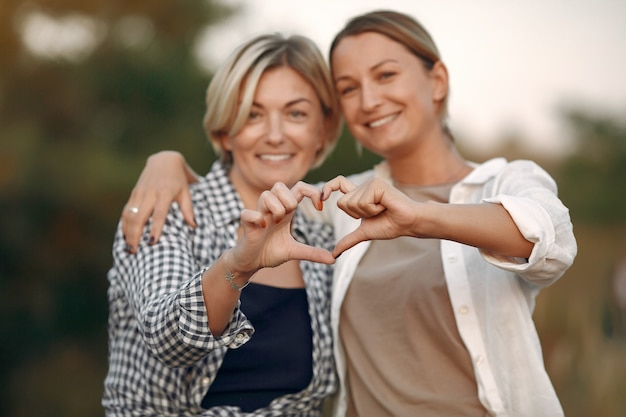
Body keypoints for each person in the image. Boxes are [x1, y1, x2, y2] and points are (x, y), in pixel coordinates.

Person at [120, 10, 577, 417]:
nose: (370, 100)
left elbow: (547, 239)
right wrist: (168, 163)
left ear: (437, 81)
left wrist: (420, 218)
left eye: (385, 75)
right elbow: (250, 192)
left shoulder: (506, 181)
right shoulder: (339, 203)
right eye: (349, 88)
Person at [103, 32, 344, 416]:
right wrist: (239, 264)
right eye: (252, 114)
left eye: (296, 114)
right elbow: (169, 339)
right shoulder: (168, 207)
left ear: (323, 131)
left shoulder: (327, 229)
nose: (276, 134)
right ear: (223, 131)